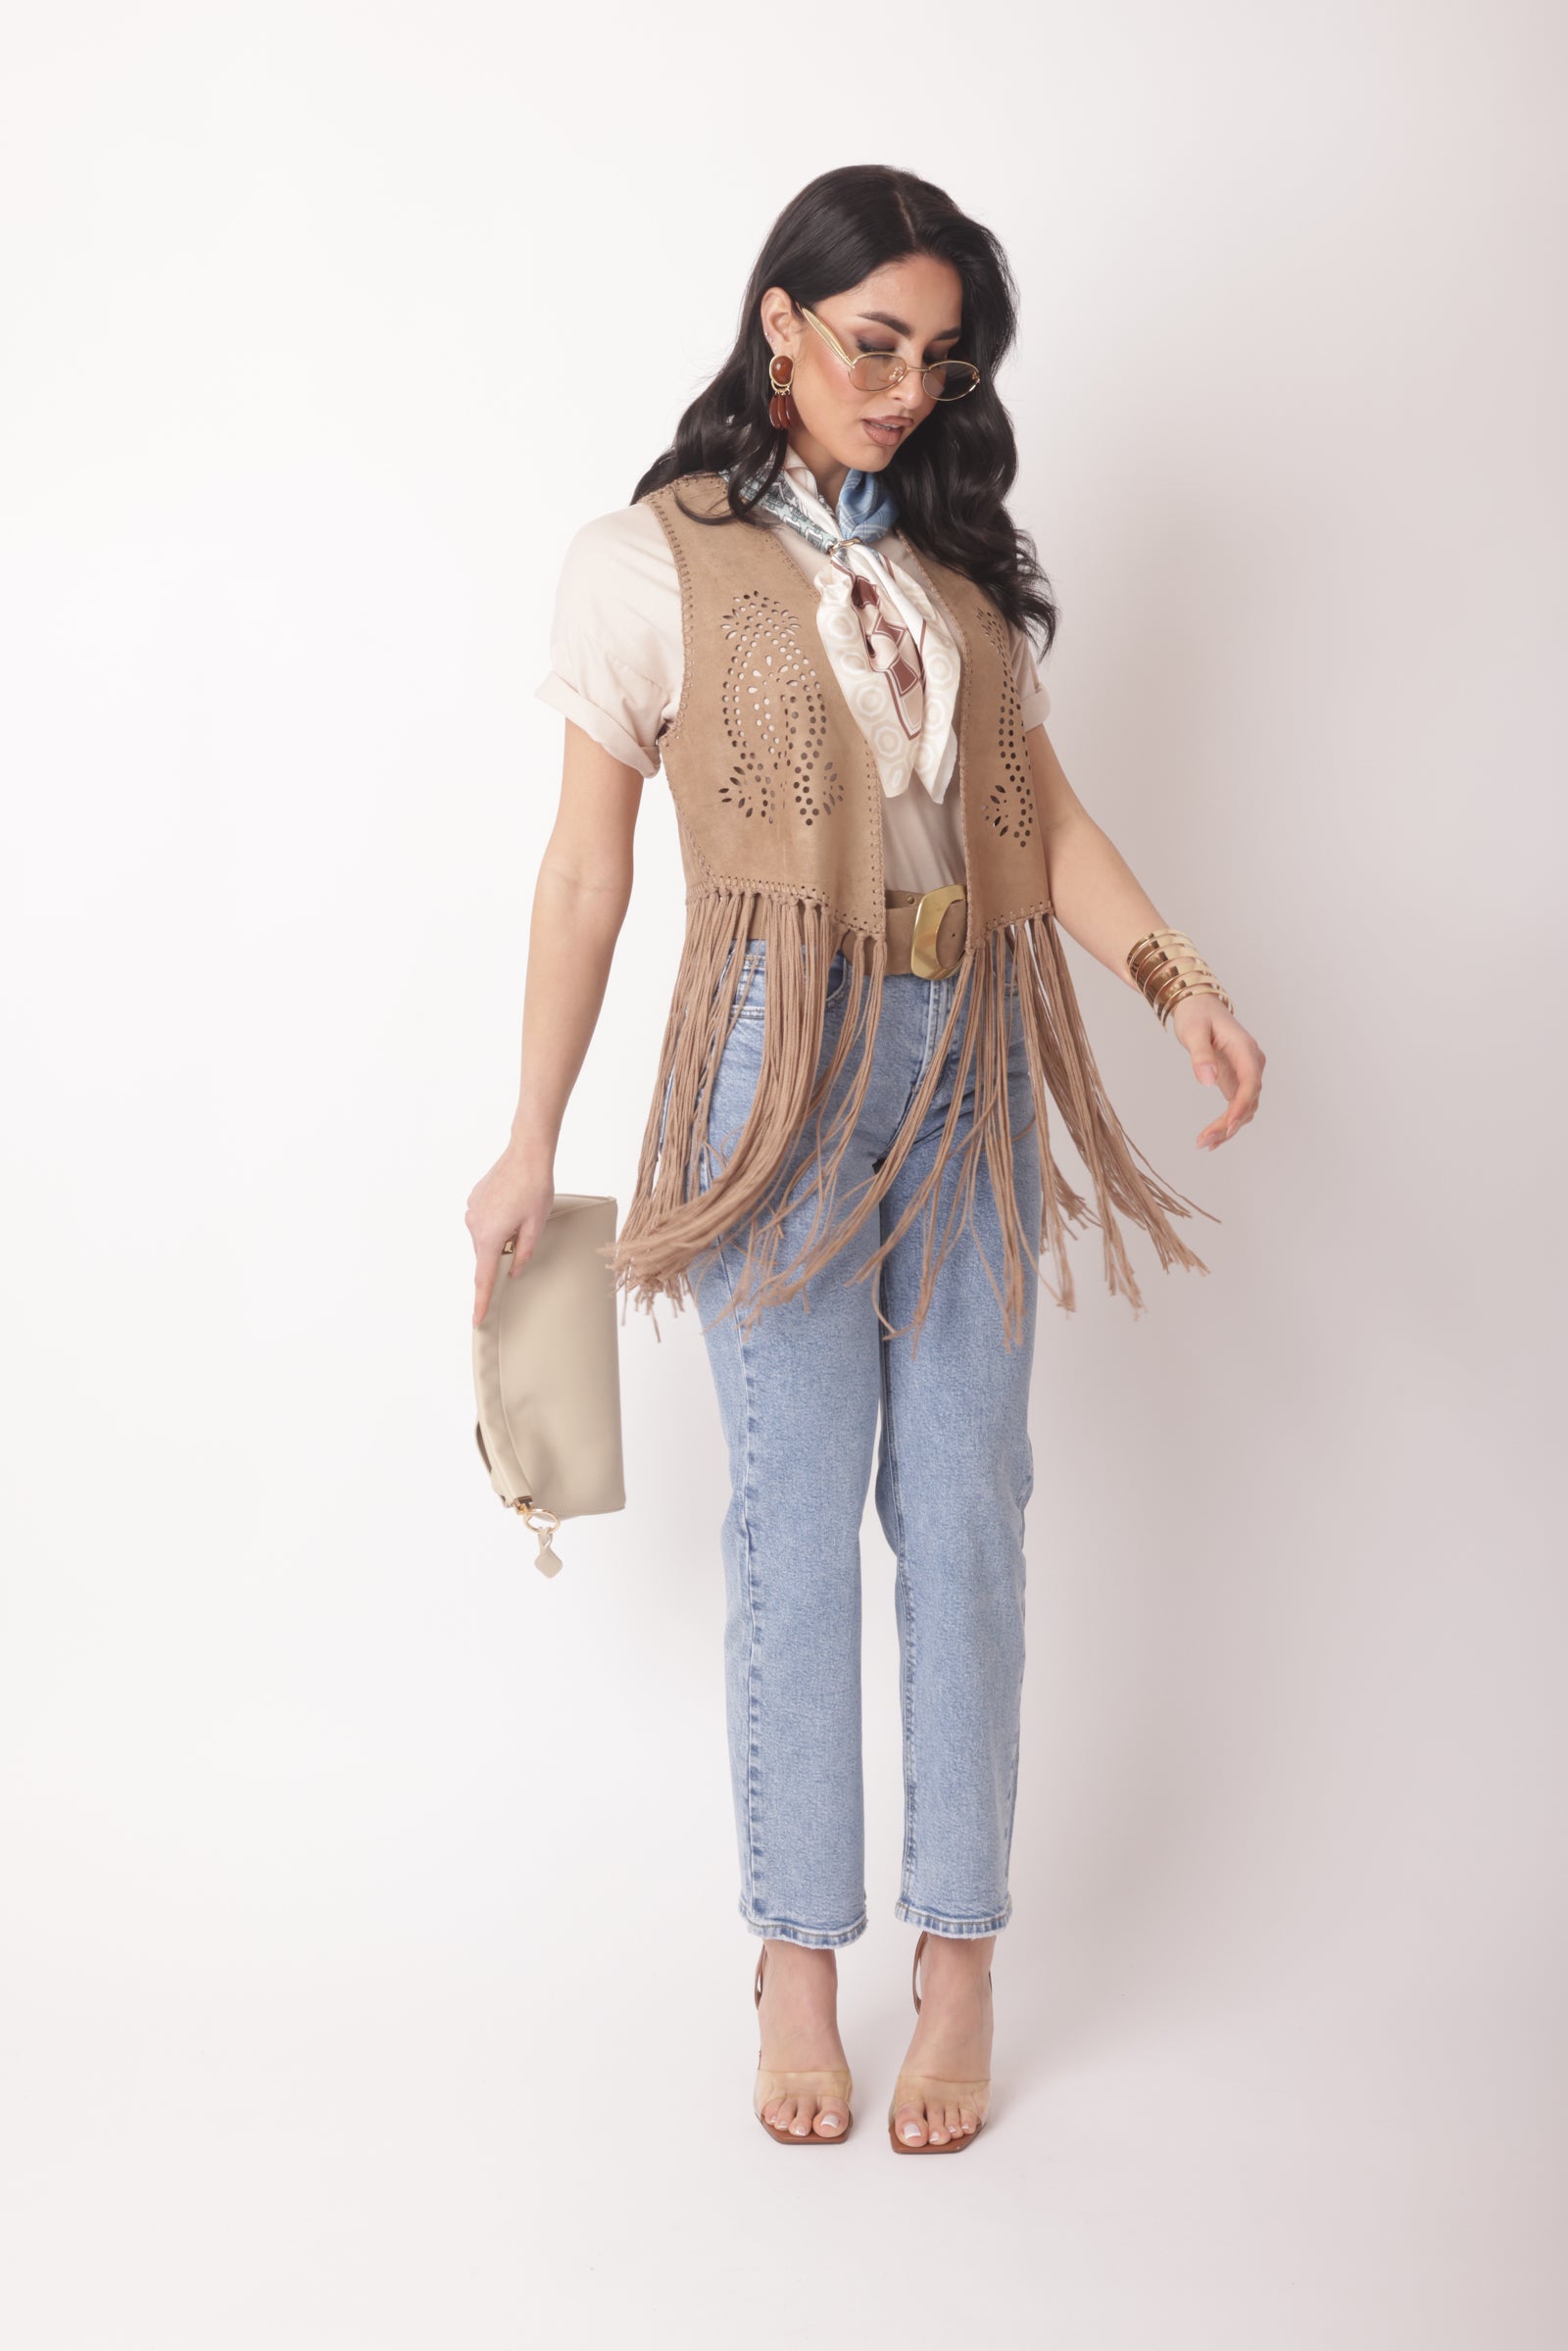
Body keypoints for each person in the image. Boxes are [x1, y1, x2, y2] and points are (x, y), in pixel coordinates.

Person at [466, 164, 1265, 2153]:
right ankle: (801, 1965)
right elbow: (586, 873)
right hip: (774, 1055)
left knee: (971, 1508)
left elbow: (1044, 822)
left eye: (940, 359)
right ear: (780, 323)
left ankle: (961, 1956)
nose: (905, 390)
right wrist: (527, 1138)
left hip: (972, 1042)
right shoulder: (643, 562)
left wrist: (1176, 984)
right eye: (872, 344)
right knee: (795, 1522)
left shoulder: (957, 576)